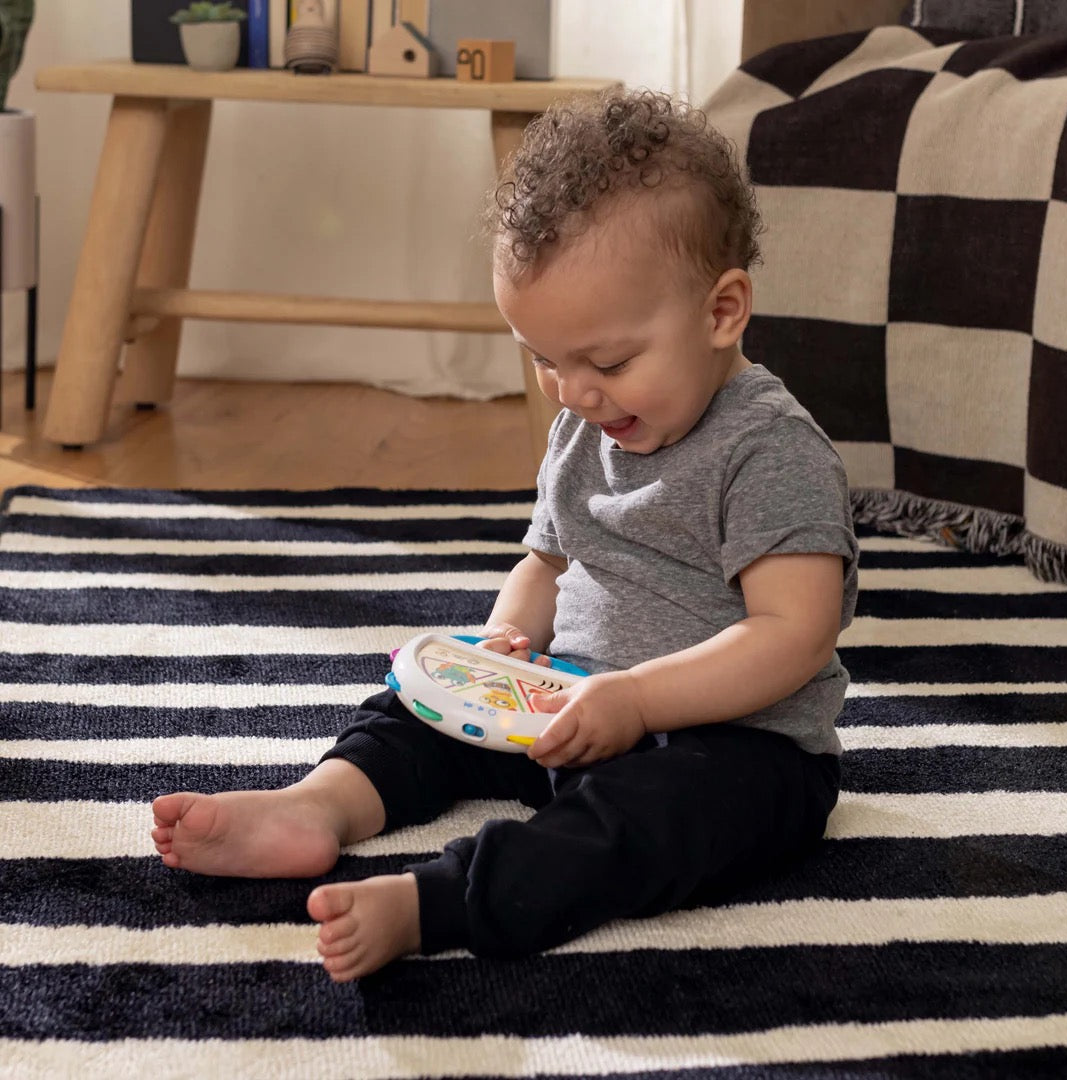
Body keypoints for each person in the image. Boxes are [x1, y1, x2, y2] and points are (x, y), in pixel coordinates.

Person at [150, 88, 858, 983]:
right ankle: (316, 807)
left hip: (737, 749)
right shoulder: (586, 426)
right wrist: (505, 645)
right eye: (545, 360)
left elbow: (793, 635)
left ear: (722, 311)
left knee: (640, 827)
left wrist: (636, 701)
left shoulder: (771, 450)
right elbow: (547, 561)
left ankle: (440, 900)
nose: (574, 392)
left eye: (606, 362)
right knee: (413, 714)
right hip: (571, 709)